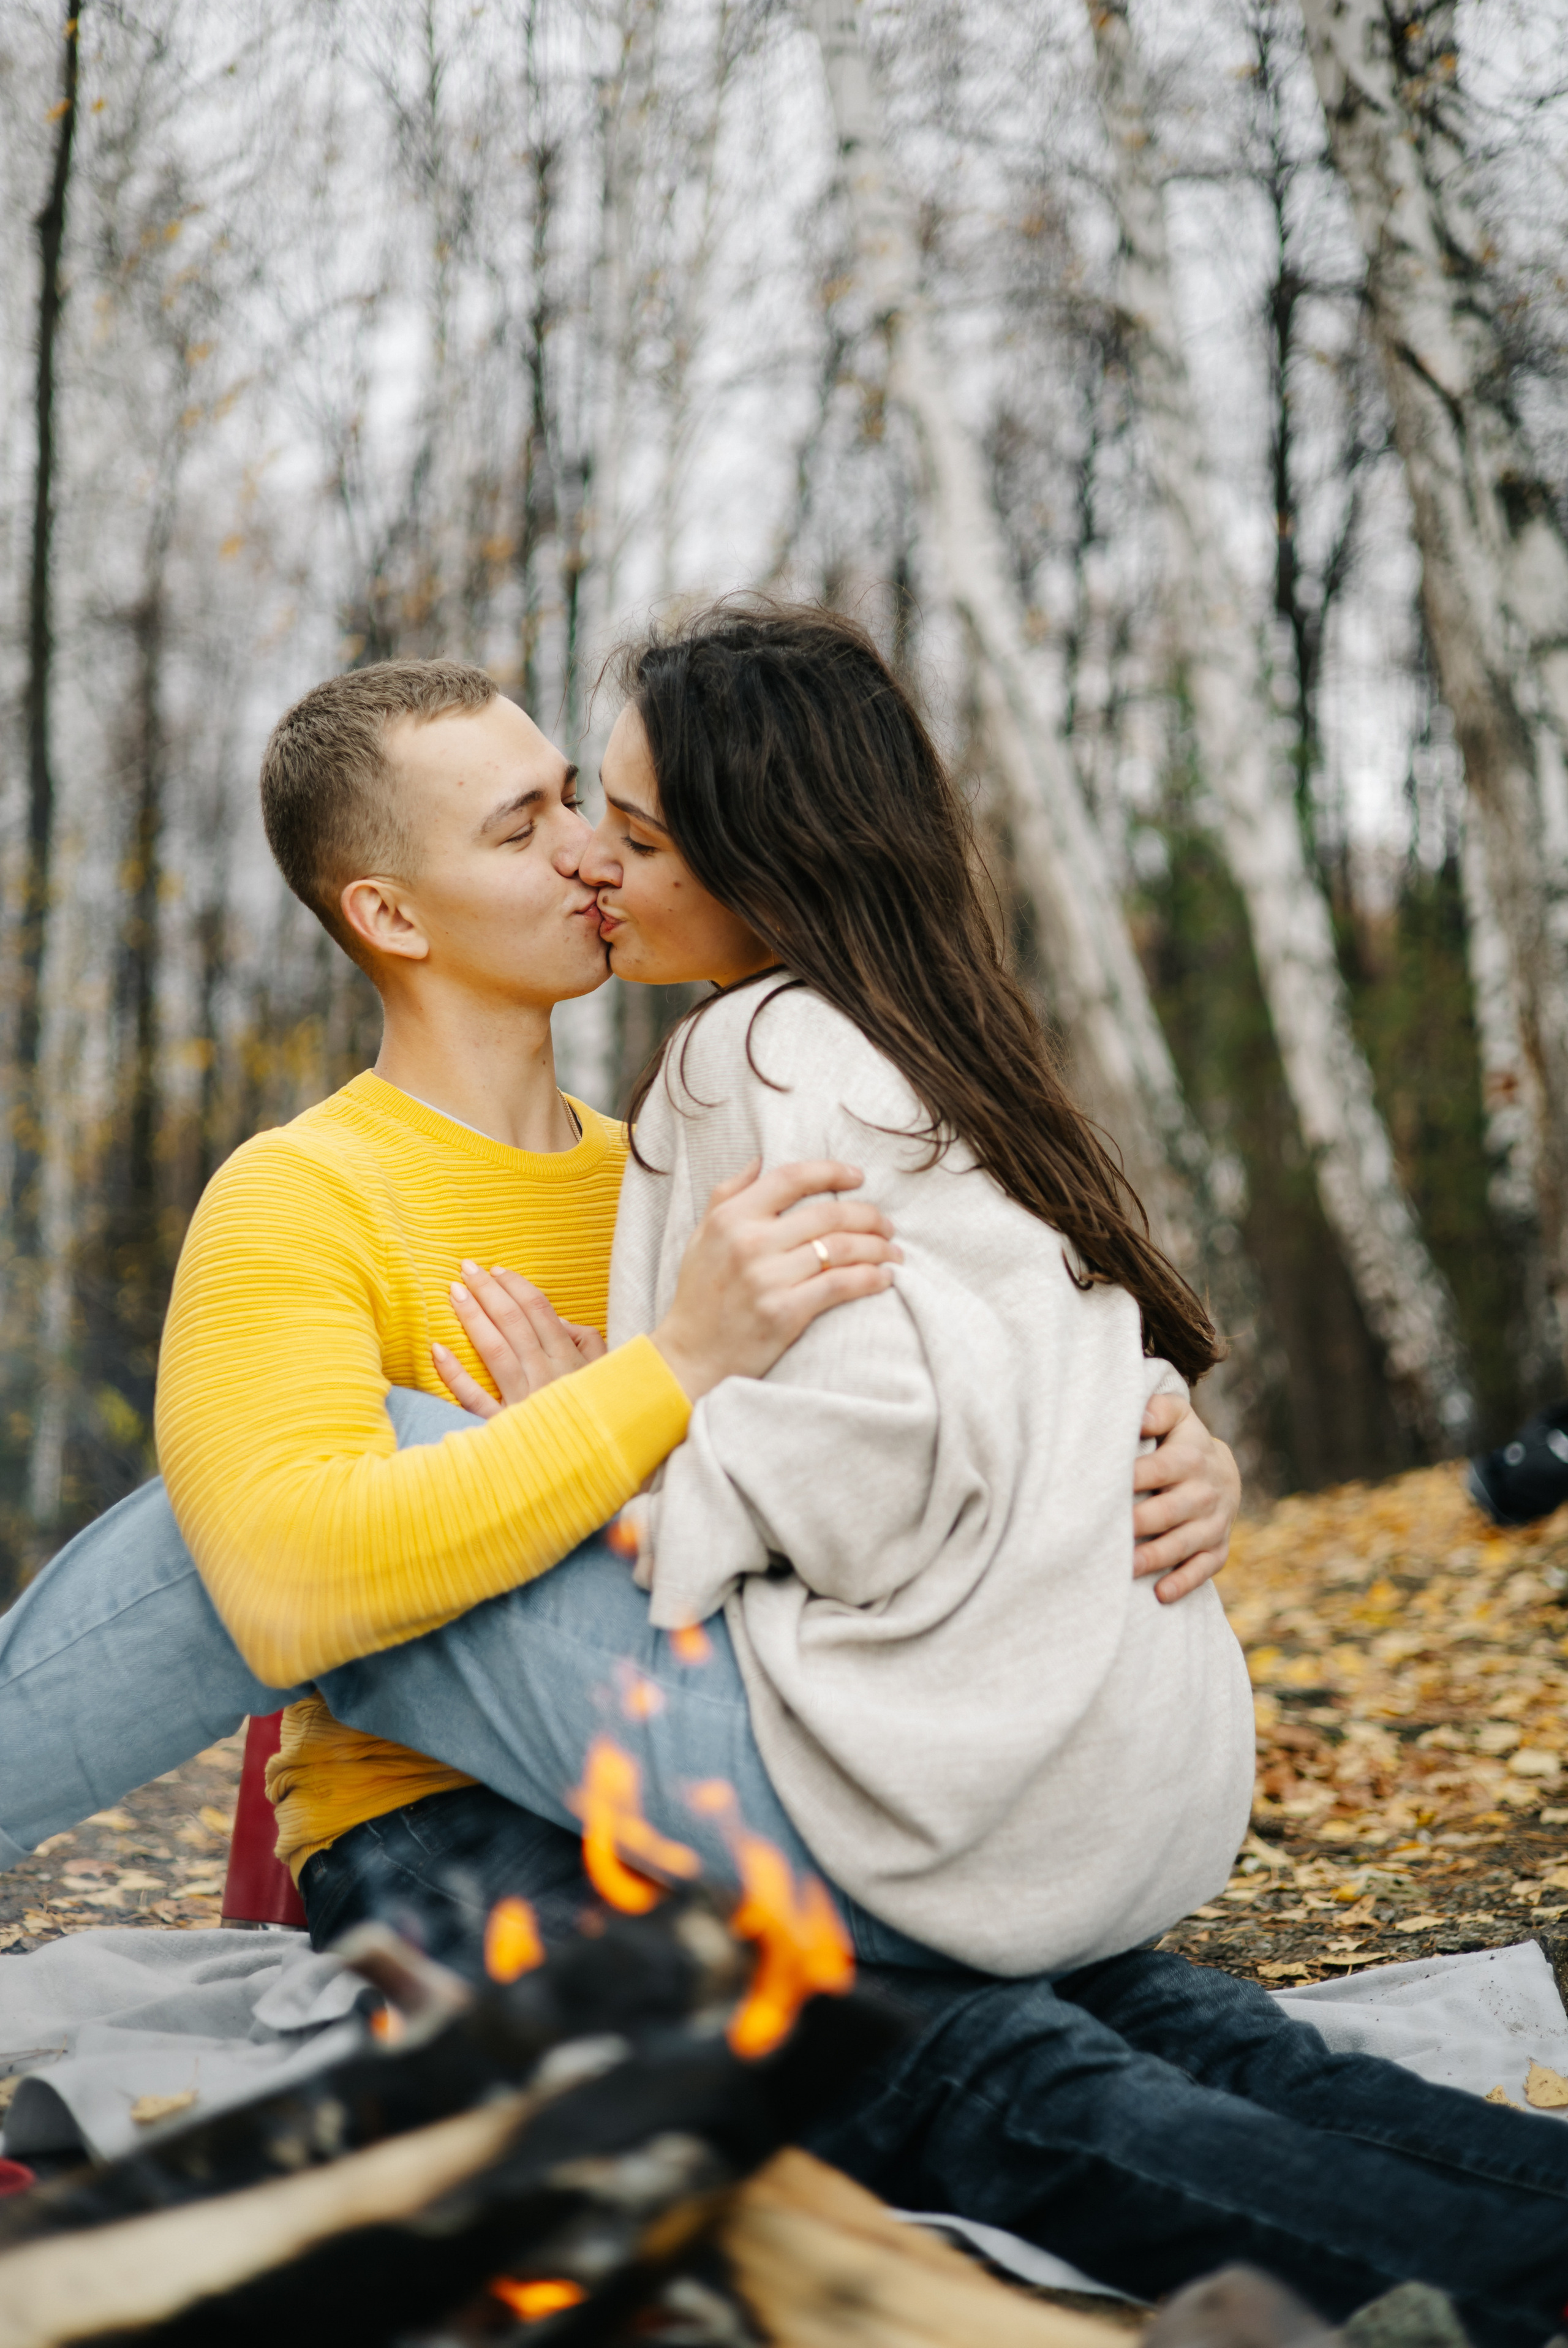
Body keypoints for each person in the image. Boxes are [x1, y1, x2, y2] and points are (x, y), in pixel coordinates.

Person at [301, 606, 1568, 2346]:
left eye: (632, 830)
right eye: (552, 820)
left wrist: (628, 1472)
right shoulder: (922, 1040)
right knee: (1211, 2047)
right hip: (1125, 1754)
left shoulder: (748, 1058)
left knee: (1012, 2081)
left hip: (959, 1775)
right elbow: (1009, 1341)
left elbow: (876, 1434)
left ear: (772, 862)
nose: (597, 860)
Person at [0, 655, 1228, 1892]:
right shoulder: (300, 1195)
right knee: (301, 1492)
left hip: (757, 1748)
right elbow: (284, 1581)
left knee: (1082, 2025)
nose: (592, 851)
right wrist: (666, 1370)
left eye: (576, 799)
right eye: (520, 828)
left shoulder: (687, 1161)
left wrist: (1153, 1453)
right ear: (392, 917)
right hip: (443, 1824)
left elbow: (929, 1377)